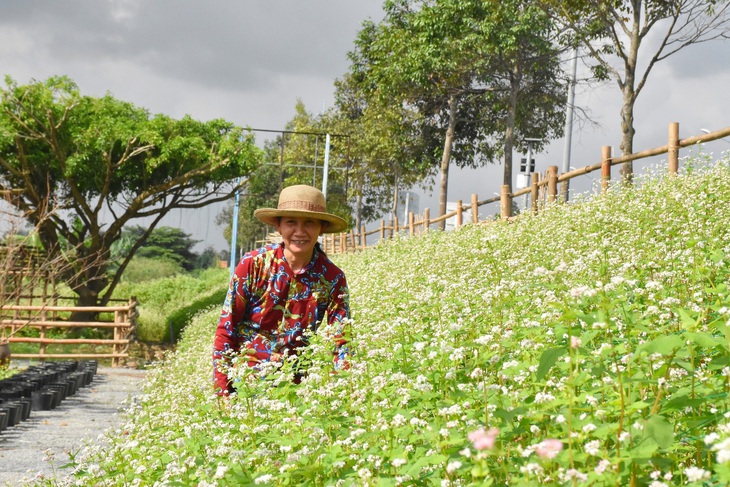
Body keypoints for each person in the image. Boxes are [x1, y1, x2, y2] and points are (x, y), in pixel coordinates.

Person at [212, 184, 350, 396]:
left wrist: (341, 391)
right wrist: (222, 392)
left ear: (321, 228)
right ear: (278, 227)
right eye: (291, 222)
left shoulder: (332, 278)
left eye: (309, 223)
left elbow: (341, 341)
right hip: (245, 385)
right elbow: (226, 328)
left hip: (294, 389)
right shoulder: (253, 265)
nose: (299, 232)